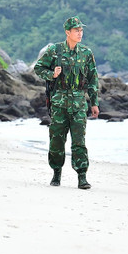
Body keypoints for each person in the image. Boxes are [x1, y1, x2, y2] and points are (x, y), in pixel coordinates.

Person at [33, 16, 100, 190]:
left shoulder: (86, 53)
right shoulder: (55, 51)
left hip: (78, 103)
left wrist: (94, 103)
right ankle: (56, 173)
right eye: (76, 30)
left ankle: (82, 176)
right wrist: (52, 75)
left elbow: (93, 79)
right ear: (67, 32)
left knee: (79, 141)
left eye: (81, 30)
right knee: (56, 140)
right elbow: (38, 68)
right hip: (59, 103)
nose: (80, 33)